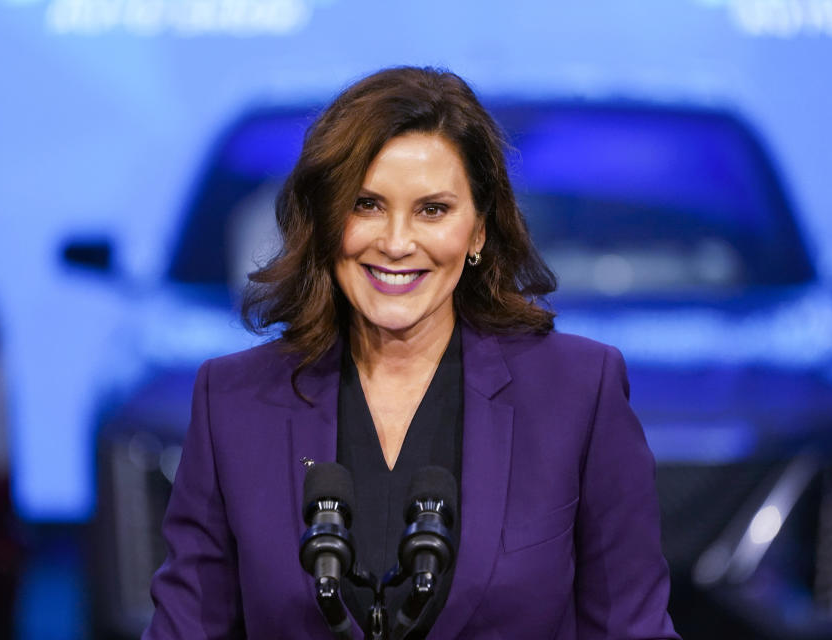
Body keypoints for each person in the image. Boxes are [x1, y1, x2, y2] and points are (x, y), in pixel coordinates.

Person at [143, 66, 680, 640]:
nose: (397, 243)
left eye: (432, 210)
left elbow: (632, 627)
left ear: (478, 230)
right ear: (326, 220)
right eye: (367, 204)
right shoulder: (233, 402)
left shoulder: (577, 391)